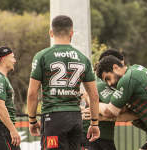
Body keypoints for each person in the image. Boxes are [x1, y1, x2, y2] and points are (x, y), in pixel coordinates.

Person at [27, 15, 100, 150]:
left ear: (51, 33)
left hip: (53, 117)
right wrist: (94, 123)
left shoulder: (42, 56)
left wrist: (32, 120)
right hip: (75, 118)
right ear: (71, 33)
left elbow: (32, 94)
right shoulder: (83, 58)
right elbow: (94, 95)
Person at [0, 46, 21, 150]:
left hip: (3, 128)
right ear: (3, 58)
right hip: (1, 128)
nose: (15, 61)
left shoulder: (2, 78)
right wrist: (12, 130)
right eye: (12, 57)